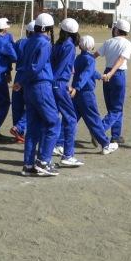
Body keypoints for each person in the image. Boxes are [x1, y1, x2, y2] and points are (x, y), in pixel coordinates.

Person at [14, 13, 61, 176]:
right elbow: (36, 67)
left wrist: (21, 81)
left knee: (33, 127)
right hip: (41, 86)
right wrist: (22, 81)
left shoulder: (28, 42)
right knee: (54, 123)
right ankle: (43, 161)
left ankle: (28, 164)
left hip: (29, 88)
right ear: (48, 28)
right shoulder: (44, 43)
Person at [71, 35, 119, 155]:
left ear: (80, 46)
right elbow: (86, 74)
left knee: (71, 119)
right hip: (86, 94)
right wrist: (77, 87)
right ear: (92, 47)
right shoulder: (90, 60)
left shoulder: (79, 58)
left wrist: (100, 77)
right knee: (94, 120)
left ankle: (59, 143)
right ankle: (105, 144)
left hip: (77, 95)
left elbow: (90, 72)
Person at [51, 17, 83, 167]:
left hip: (54, 84)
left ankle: (53, 147)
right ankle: (68, 155)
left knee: (52, 119)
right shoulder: (69, 46)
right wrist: (61, 84)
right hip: (59, 84)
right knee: (71, 119)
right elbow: (61, 68)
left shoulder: (57, 44)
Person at [99, 19, 131, 145]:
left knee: (112, 108)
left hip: (107, 72)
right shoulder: (128, 44)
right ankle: (100, 130)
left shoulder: (108, 42)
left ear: (116, 30)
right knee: (117, 109)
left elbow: (95, 55)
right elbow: (121, 59)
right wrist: (112, 73)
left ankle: (115, 135)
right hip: (118, 74)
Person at [9, 21, 34, 143]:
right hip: (31, 76)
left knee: (16, 105)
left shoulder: (19, 42)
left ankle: (18, 133)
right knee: (31, 105)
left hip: (19, 75)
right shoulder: (40, 43)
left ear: (27, 32)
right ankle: (19, 127)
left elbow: (12, 56)